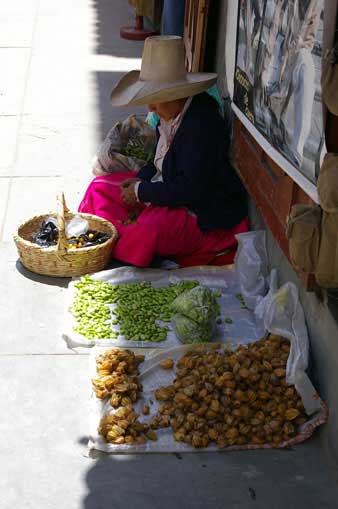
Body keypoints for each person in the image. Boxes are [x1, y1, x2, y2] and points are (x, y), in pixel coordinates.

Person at [79, 36, 248, 267]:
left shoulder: (201, 125)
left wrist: (142, 191)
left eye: (155, 100)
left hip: (198, 213)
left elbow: (189, 189)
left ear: (175, 95)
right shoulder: (170, 115)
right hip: (167, 191)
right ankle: (119, 233)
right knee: (99, 187)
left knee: (147, 231)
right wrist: (141, 180)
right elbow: (158, 164)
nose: (150, 108)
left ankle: (121, 235)